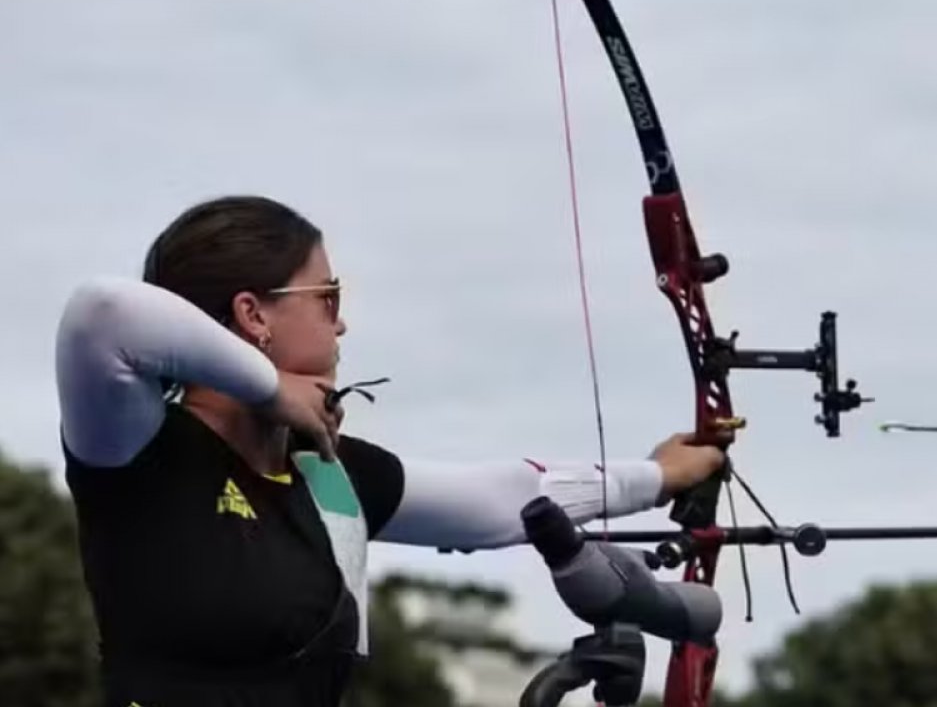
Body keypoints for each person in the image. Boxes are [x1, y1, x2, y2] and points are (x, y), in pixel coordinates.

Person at [54, 194, 730, 707]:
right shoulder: (139, 446)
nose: (342, 320)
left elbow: (503, 500)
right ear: (253, 315)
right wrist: (274, 391)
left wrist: (661, 474)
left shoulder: (328, 473)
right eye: (327, 296)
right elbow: (102, 314)